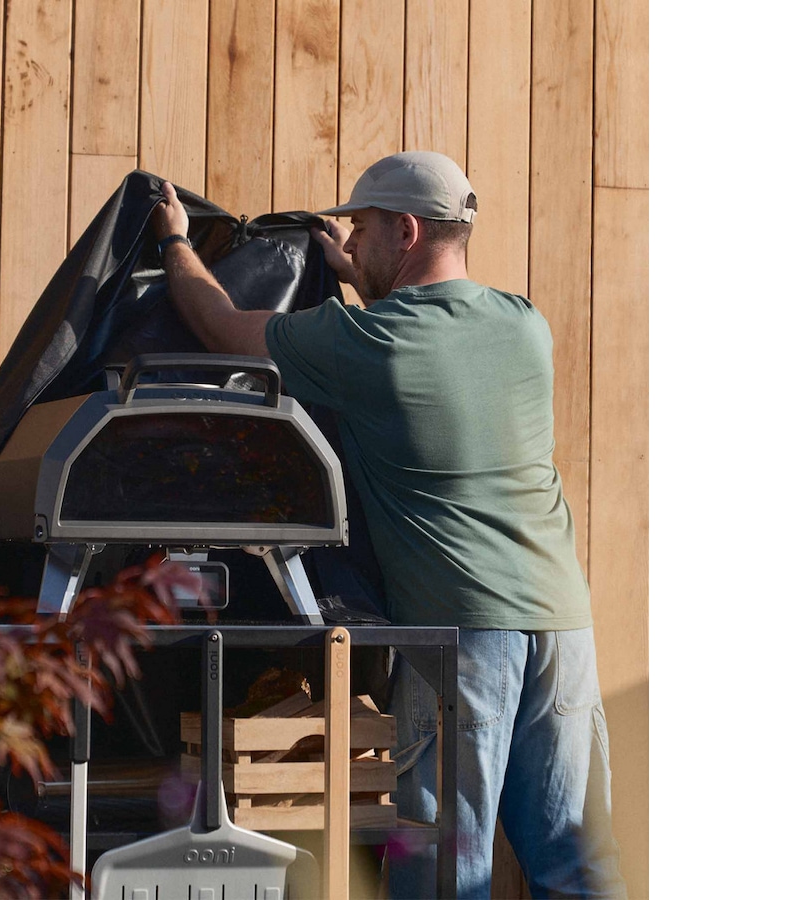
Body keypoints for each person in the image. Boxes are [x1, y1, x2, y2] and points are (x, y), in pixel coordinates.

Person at [151, 151, 626, 898]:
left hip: (465, 635)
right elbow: (429, 345)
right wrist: (355, 272)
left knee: (446, 874)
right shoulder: (523, 325)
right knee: (576, 867)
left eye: (361, 228)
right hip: (563, 627)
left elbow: (220, 324)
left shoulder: (365, 344)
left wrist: (175, 241)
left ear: (404, 230)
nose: (351, 242)